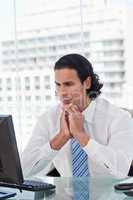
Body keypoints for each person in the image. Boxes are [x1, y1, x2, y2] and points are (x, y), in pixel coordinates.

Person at [21, 53, 133, 179]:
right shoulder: (48, 119)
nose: (62, 92)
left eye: (68, 84)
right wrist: (61, 137)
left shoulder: (118, 118)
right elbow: (24, 171)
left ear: (87, 83)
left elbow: (120, 169)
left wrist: (81, 136)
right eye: (58, 84)